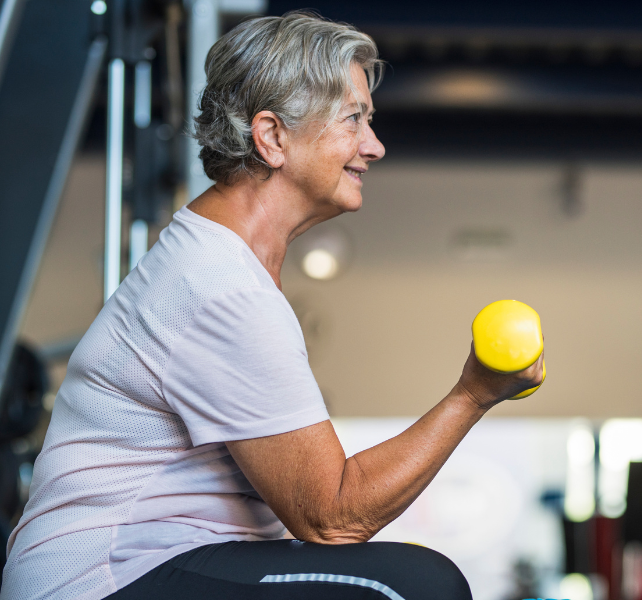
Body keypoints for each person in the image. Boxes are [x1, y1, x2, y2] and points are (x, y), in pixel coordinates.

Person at [0, 12, 544, 600]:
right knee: (416, 586)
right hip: (98, 582)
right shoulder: (220, 287)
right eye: (353, 119)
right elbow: (332, 515)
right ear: (272, 137)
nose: (375, 146)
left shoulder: (225, 266)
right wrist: (473, 394)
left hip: (169, 564)